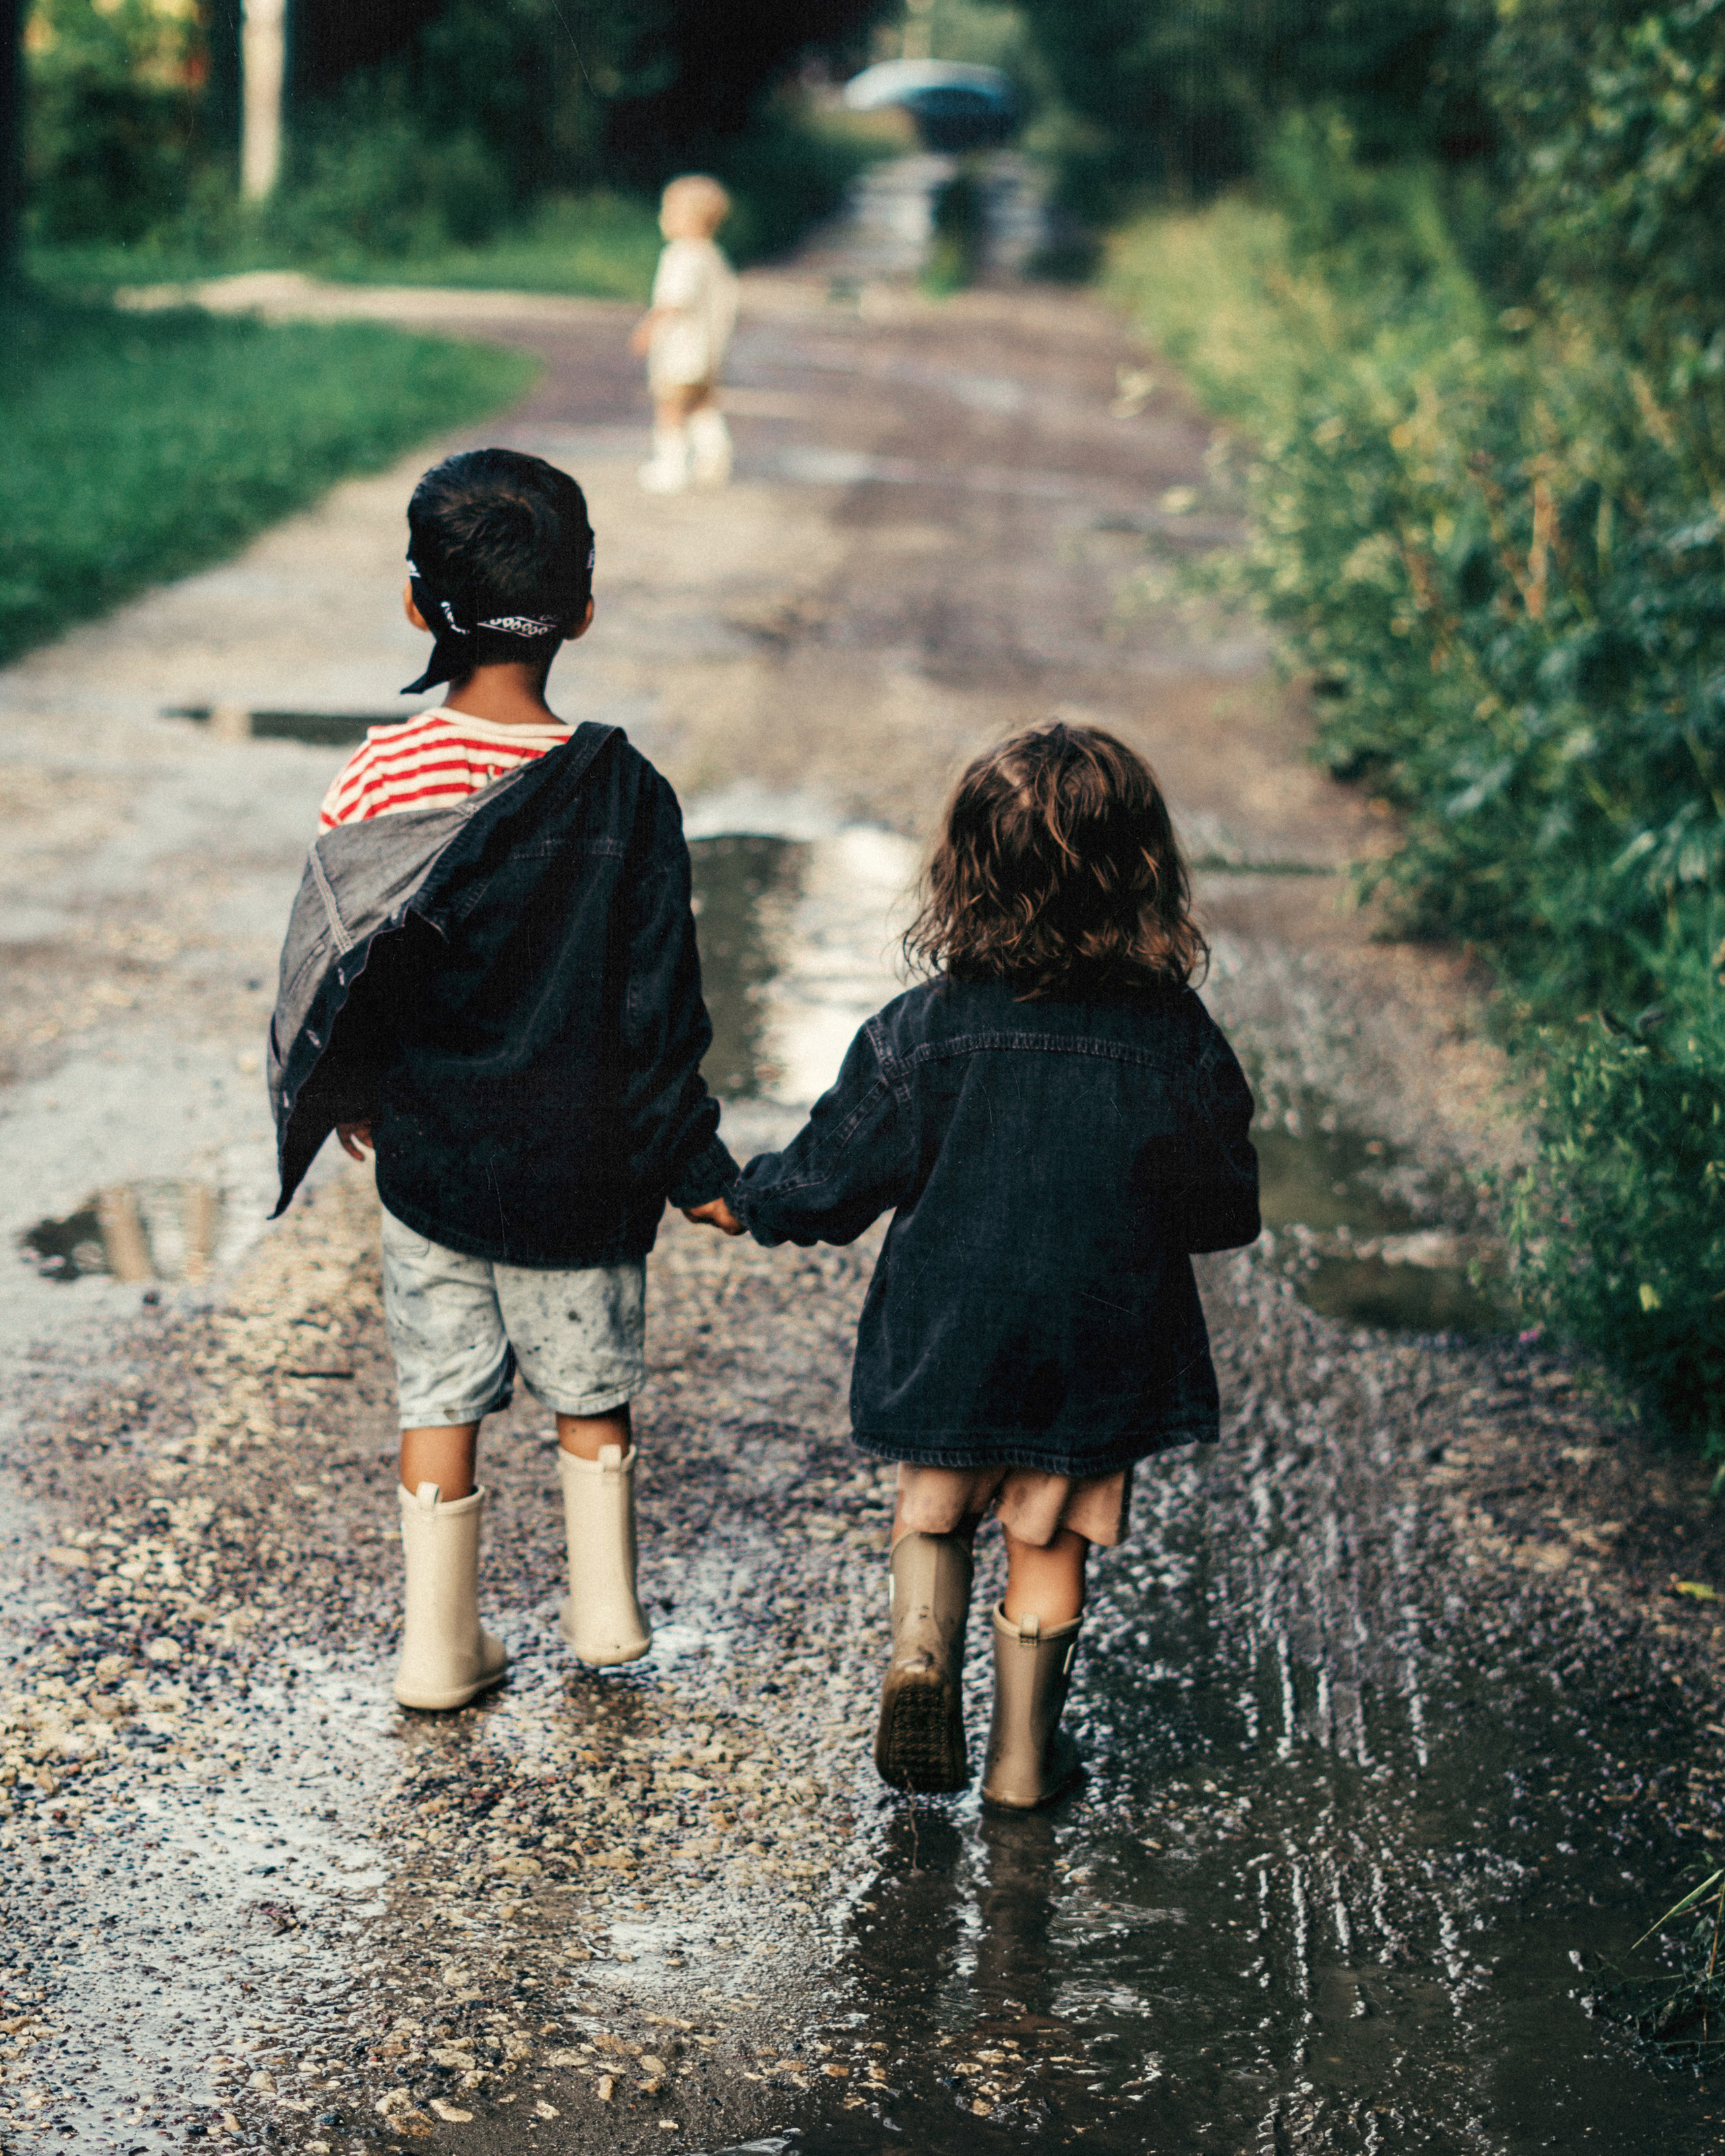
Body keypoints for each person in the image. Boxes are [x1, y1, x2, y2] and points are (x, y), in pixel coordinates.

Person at [693, 724, 1259, 1808]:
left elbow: (834, 1175)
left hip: (951, 1336)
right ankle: (1020, 1763)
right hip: (1098, 1343)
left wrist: (745, 1200)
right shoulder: (1176, 1037)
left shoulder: (922, 1033)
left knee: (934, 1510)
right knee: (1047, 1541)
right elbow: (1221, 1205)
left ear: (962, 877)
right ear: (1144, 875)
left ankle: (919, 1654)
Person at [266, 447, 739, 1712]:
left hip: (430, 1160)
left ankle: (437, 1648)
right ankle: (605, 1613)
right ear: (584, 609)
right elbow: (661, 1011)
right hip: (583, 1166)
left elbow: (336, 966)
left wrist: (353, 1094)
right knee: (591, 1394)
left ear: (420, 607)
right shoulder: (629, 798)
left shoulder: (378, 779)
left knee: (441, 1391)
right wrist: (692, 1164)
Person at [630, 173, 741, 494]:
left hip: (681, 352)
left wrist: (647, 328)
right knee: (704, 405)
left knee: (670, 407)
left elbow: (673, 301)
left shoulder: (680, 255)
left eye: (669, 210)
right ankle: (714, 454)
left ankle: (671, 467)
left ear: (691, 218)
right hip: (707, 352)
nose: (663, 217)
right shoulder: (713, 256)